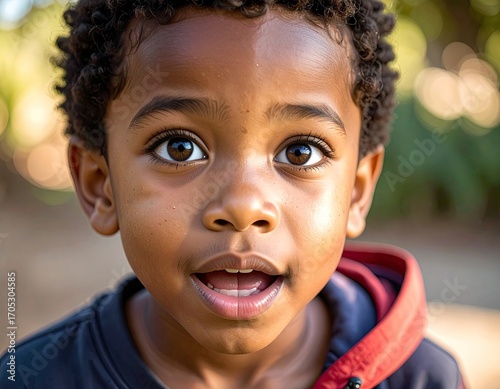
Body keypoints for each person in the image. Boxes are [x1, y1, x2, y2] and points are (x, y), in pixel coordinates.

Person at [0, 0, 465, 388]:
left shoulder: (423, 379)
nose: (244, 206)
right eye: (179, 148)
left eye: (301, 152)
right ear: (100, 186)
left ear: (357, 192)